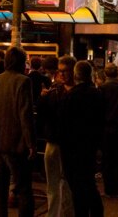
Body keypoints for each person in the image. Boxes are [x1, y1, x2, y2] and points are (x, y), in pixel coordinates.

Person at [0, 46, 36, 217]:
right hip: (15, 144)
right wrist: (31, 143)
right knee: (23, 188)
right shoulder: (23, 82)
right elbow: (25, 115)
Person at [62, 60, 105, 217]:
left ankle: (83, 212)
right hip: (90, 145)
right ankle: (96, 212)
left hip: (73, 148)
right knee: (88, 182)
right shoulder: (97, 94)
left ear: (75, 75)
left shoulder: (71, 96)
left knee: (78, 187)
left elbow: (64, 124)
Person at [39, 55, 76, 217]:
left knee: (66, 182)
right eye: (60, 71)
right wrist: (43, 98)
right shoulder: (54, 91)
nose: (62, 75)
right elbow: (43, 115)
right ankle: (53, 213)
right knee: (53, 182)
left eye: (66, 71)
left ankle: (65, 213)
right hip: (53, 140)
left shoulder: (78, 92)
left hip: (68, 143)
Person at [99, 63, 118, 198]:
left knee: (107, 160)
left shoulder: (102, 89)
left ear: (105, 74)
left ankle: (110, 189)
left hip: (106, 127)